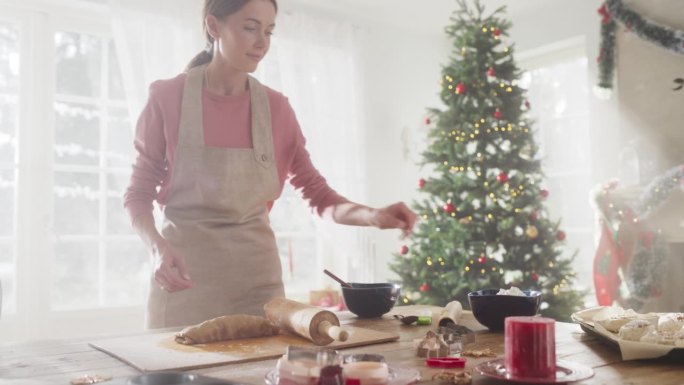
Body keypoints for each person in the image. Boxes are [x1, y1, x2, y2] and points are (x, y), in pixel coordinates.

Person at [123, 0, 417, 329]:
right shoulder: (167, 97)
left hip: (257, 289)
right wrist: (158, 249)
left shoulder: (277, 109)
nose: (262, 42)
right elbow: (137, 194)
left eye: (269, 31)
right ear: (214, 26)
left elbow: (318, 196)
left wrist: (374, 216)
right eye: (250, 28)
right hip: (185, 285)